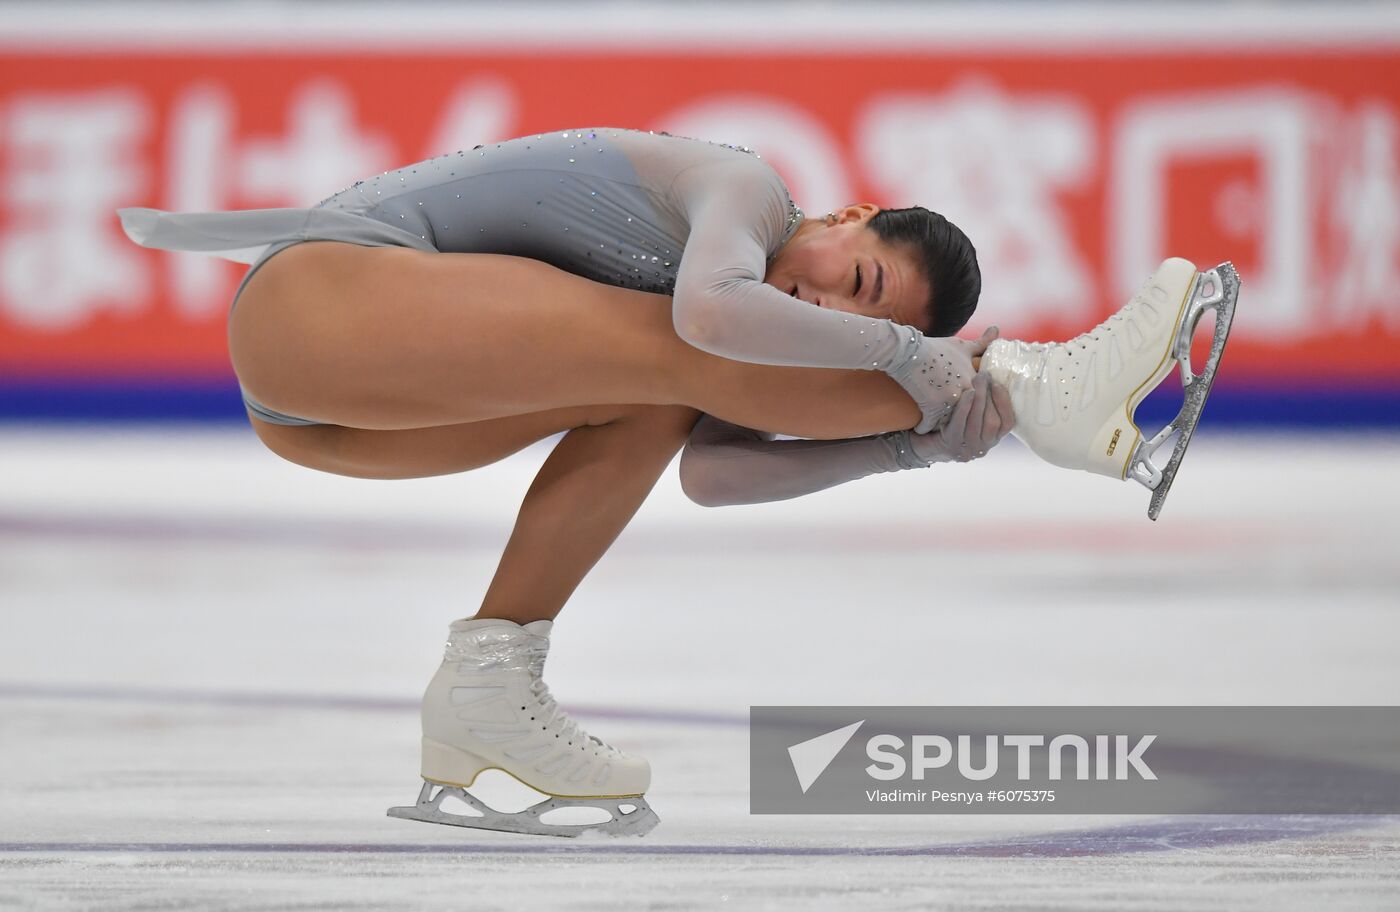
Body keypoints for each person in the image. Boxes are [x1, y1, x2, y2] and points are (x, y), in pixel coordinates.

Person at [117, 127, 1234, 837]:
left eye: (865, 315)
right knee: (677, 348)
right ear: (843, 216)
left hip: (327, 419)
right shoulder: (745, 188)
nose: (833, 319)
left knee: (656, 399)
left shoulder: (749, 324)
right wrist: (908, 360)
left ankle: (487, 688)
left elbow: (708, 471)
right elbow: (705, 318)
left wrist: (900, 445)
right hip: (316, 301)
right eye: (854, 279)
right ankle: (1035, 385)